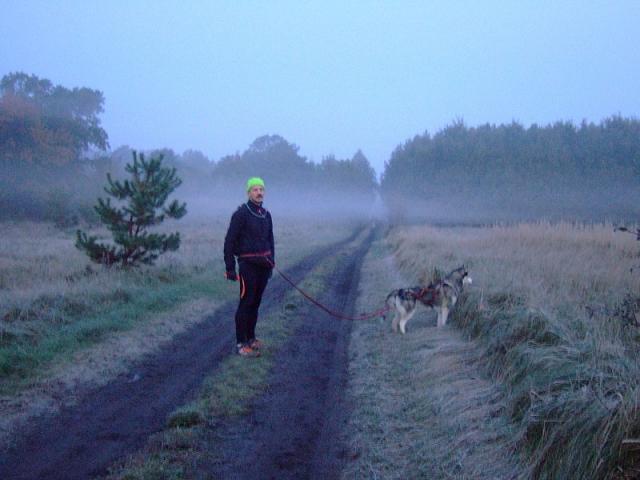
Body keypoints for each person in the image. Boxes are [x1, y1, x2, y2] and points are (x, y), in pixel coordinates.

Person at [223, 177, 275, 357]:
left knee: (256, 303)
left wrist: (271, 263)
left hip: (264, 267)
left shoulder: (266, 214)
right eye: (255, 189)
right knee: (246, 303)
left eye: (261, 189)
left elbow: (270, 240)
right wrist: (230, 268)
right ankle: (241, 344)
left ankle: (251, 338)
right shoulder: (241, 214)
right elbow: (229, 241)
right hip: (247, 266)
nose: (259, 193)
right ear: (248, 192)